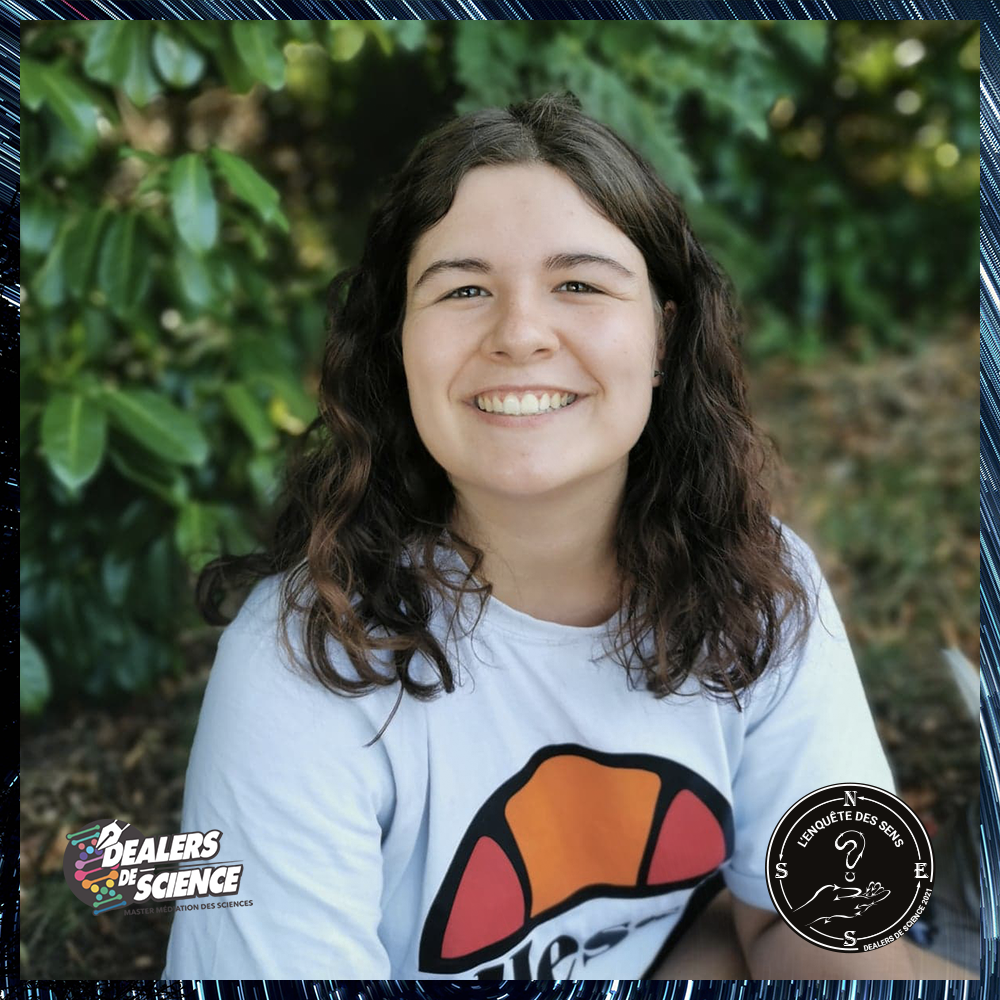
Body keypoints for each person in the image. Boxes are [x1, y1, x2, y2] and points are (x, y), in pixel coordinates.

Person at [162, 92, 918, 980]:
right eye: (465, 288)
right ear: (398, 343)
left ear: (664, 335)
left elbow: (817, 926)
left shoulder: (762, 576)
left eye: (580, 284)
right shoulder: (302, 659)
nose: (520, 333)